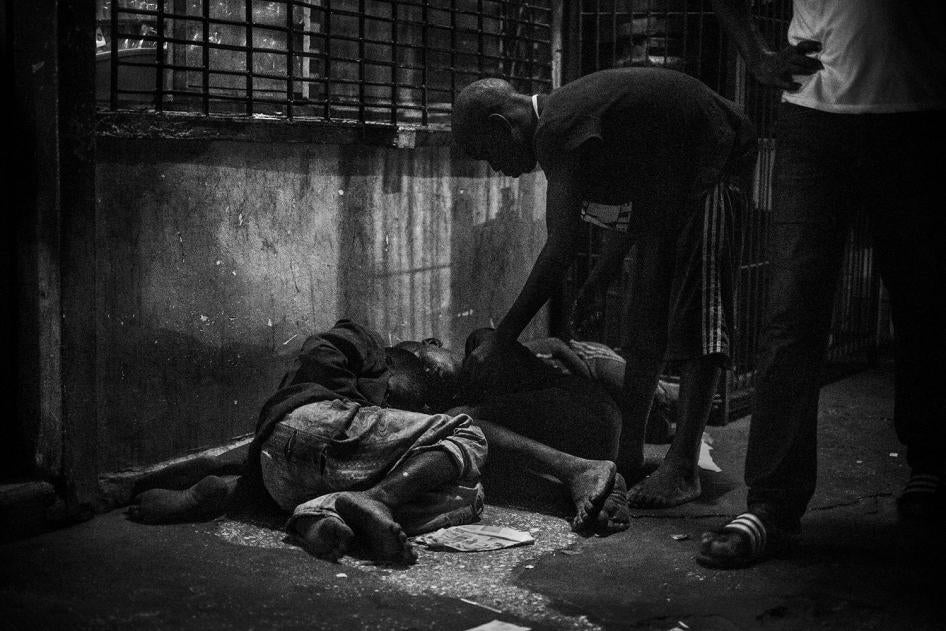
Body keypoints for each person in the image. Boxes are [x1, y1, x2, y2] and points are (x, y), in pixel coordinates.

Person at [698, 1, 946, 568]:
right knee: (791, 311)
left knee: (924, 301)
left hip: (923, 116)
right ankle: (773, 504)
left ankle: (932, 462)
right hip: (816, 116)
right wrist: (757, 54)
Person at [452, 67, 755, 509]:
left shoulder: (556, 129)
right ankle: (629, 452)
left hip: (711, 163)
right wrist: (602, 277)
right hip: (670, 187)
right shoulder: (565, 124)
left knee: (698, 316)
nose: (498, 169)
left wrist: (503, 337)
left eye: (488, 153)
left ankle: (683, 466)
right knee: (644, 320)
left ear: (502, 126)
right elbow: (633, 196)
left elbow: (559, 248)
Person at [128, 320, 627, 565]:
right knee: (462, 435)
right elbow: (295, 406)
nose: (437, 354)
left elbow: (259, 445)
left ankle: (311, 515)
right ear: (411, 351)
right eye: (430, 352)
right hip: (307, 433)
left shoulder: (412, 418)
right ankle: (339, 508)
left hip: (287, 476)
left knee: (464, 491)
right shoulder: (362, 356)